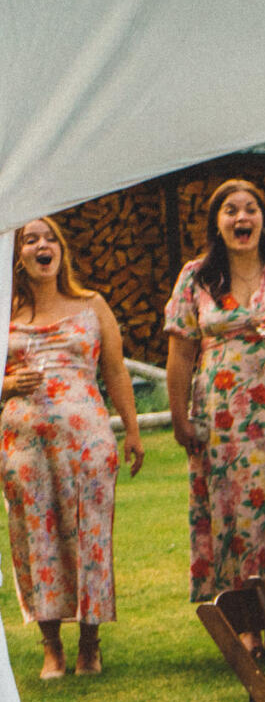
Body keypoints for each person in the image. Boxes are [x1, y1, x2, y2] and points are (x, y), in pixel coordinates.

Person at [160, 178, 265, 641]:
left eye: (251, 209)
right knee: (233, 512)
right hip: (223, 420)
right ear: (216, 223)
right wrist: (179, 418)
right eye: (231, 210)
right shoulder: (197, 277)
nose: (242, 218)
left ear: (263, 219)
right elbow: (180, 353)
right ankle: (246, 630)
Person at [5, 217, 143, 678]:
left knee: (89, 537)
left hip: (87, 443)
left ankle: (90, 643)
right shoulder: (5, 310)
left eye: (50, 239)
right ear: (17, 255)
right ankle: (51, 647)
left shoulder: (91, 304)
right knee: (35, 538)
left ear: (61, 250)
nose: (42, 246)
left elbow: (116, 371)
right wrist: (7, 385)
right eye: (31, 240)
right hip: (24, 447)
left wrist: (132, 431)